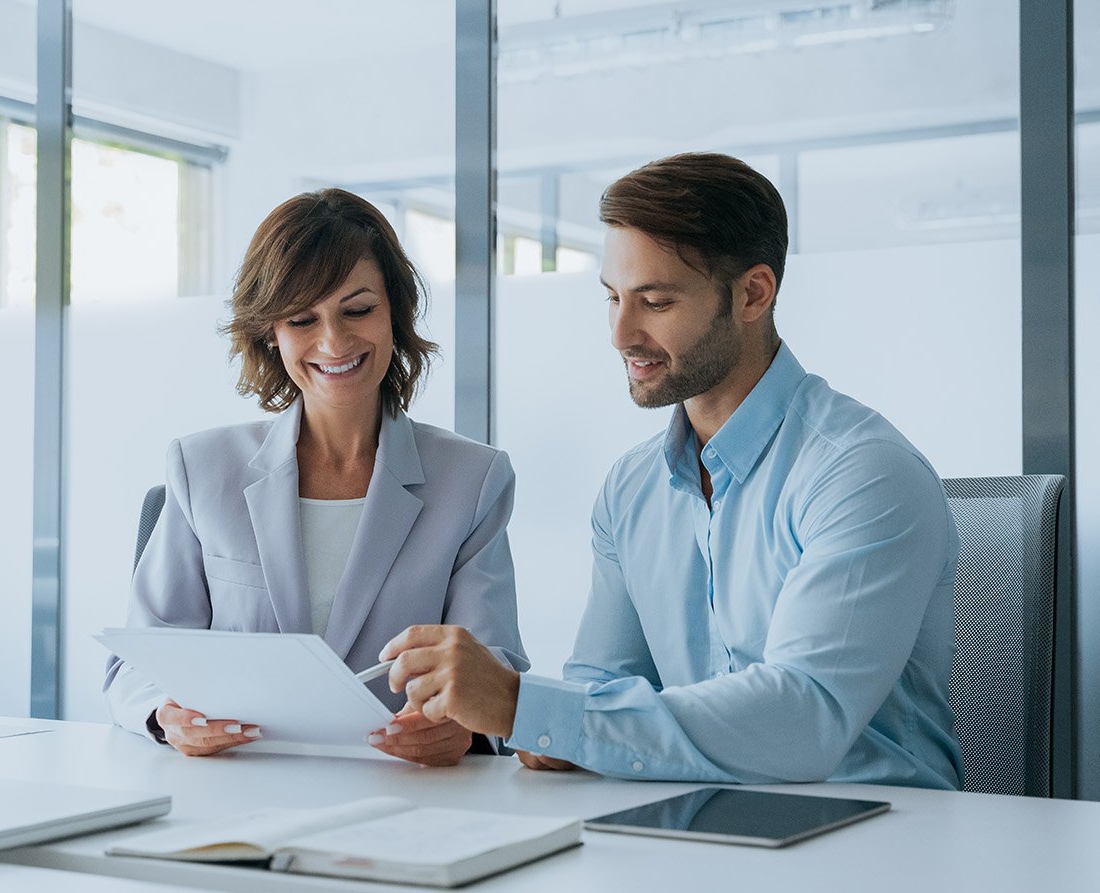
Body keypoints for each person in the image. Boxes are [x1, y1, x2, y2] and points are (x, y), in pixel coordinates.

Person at [380, 152, 963, 789]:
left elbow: (806, 718)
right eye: (612, 298)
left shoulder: (863, 473)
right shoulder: (631, 489)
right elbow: (599, 686)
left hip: (880, 837)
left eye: (655, 302)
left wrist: (532, 710)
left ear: (753, 294)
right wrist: (537, 727)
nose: (620, 333)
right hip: (696, 821)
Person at [104, 188, 528, 766]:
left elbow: (494, 669)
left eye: (358, 310)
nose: (334, 342)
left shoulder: (473, 480)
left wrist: (466, 729)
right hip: (237, 788)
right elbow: (137, 665)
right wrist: (165, 716)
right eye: (302, 319)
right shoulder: (202, 469)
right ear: (269, 334)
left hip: (404, 794)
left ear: (395, 313)